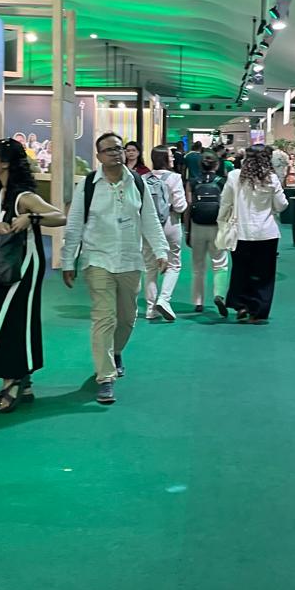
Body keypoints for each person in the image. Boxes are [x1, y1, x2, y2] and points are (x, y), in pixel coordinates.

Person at [61, 132, 168, 404]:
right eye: (109, 150)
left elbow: (150, 219)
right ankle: (105, 377)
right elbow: (74, 225)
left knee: (127, 317)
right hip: (98, 259)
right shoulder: (88, 185)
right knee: (104, 318)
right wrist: (68, 260)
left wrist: (161, 250)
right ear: (98, 156)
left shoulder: (137, 183)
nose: (115, 153)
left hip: (130, 260)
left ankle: (116, 351)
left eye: (118, 149)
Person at [0, 139, 65, 410]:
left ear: (6, 162)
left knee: (6, 319)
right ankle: (22, 380)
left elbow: (59, 217)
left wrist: (31, 218)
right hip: (8, 264)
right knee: (8, 318)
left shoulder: (24, 197)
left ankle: (12, 380)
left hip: (24, 266)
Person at [218, 146, 287, 323]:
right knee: (264, 275)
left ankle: (241, 304)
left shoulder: (234, 176)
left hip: (241, 233)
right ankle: (257, 311)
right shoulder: (271, 178)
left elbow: (225, 202)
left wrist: (221, 222)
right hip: (267, 233)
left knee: (241, 270)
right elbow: (281, 205)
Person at [143, 144, 187, 321]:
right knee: (174, 264)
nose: (173, 158)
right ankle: (164, 299)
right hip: (170, 223)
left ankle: (150, 309)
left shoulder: (143, 178)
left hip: (149, 226)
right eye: (170, 155)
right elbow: (180, 206)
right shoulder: (174, 178)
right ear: (164, 159)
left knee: (150, 267)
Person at [188, 151, 229, 314]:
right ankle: (219, 294)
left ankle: (198, 301)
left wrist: (187, 231)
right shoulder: (222, 182)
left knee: (198, 266)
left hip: (197, 225)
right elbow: (226, 205)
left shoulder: (193, 182)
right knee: (220, 264)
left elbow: (188, 206)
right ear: (217, 165)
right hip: (217, 226)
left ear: (200, 165)